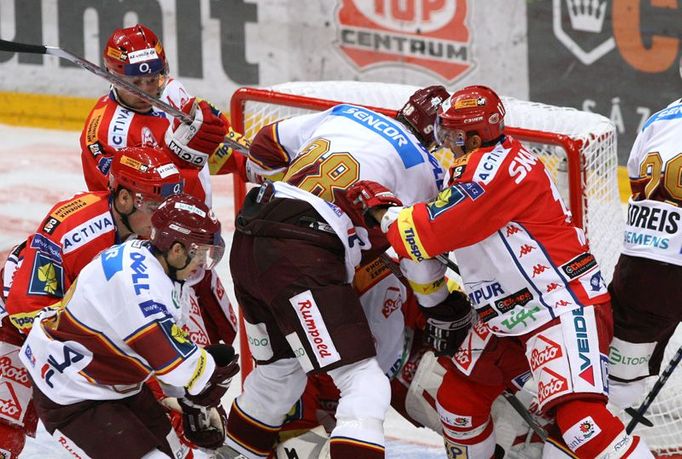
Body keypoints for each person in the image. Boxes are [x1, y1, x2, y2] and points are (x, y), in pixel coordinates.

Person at [347, 85, 654, 458]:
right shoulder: (483, 164)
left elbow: (428, 234)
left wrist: (382, 209)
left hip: (557, 307)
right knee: (457, 401)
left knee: (580, 424)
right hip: (505, 317)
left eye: (452, 135)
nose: (445, 142)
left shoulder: (491, 171)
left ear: (474, 136)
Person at [223, 87, 473, 458]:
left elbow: (264, 146)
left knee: (278, 375)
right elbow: (417, 250)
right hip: (303, 252)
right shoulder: (428, 167)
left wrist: (287, 178)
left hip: (249, 236)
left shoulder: (345, 113)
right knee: (364, 382)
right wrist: (439, 305)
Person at [18, 193, 239, 458]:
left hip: (110, 381)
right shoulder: (143, 298)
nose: (203, 263)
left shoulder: (143, 253)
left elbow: (165, 361)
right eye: (200, 253)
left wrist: (187, 396)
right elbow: (181, 371)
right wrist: (204, 395)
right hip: (73, 398)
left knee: (179, 454)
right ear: (177, 249)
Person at [0, 145, 184, 456]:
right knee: (5, 432)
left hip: (73, 336)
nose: (165, 218)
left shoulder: (157, 241)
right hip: (16, 326)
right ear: (124, 199)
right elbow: (26, 309)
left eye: (169, 205)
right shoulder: (74, 227)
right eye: (155, 205)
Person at [80, 23, 249, 205]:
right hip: (149, 230)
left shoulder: (172, 91)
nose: (145, 91)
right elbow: (135, 204)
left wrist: (251, 163)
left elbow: (213, 147)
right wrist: (180, 157)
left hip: (198, 217)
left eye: (152, 79)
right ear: (112, 77)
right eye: (135, 82)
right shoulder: (106, 133)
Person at [606, 97, 682, 410]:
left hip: (642, 269)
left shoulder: (658, 118)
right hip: (659, 270)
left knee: (618, 386)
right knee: (617, 389)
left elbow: (637, 182)